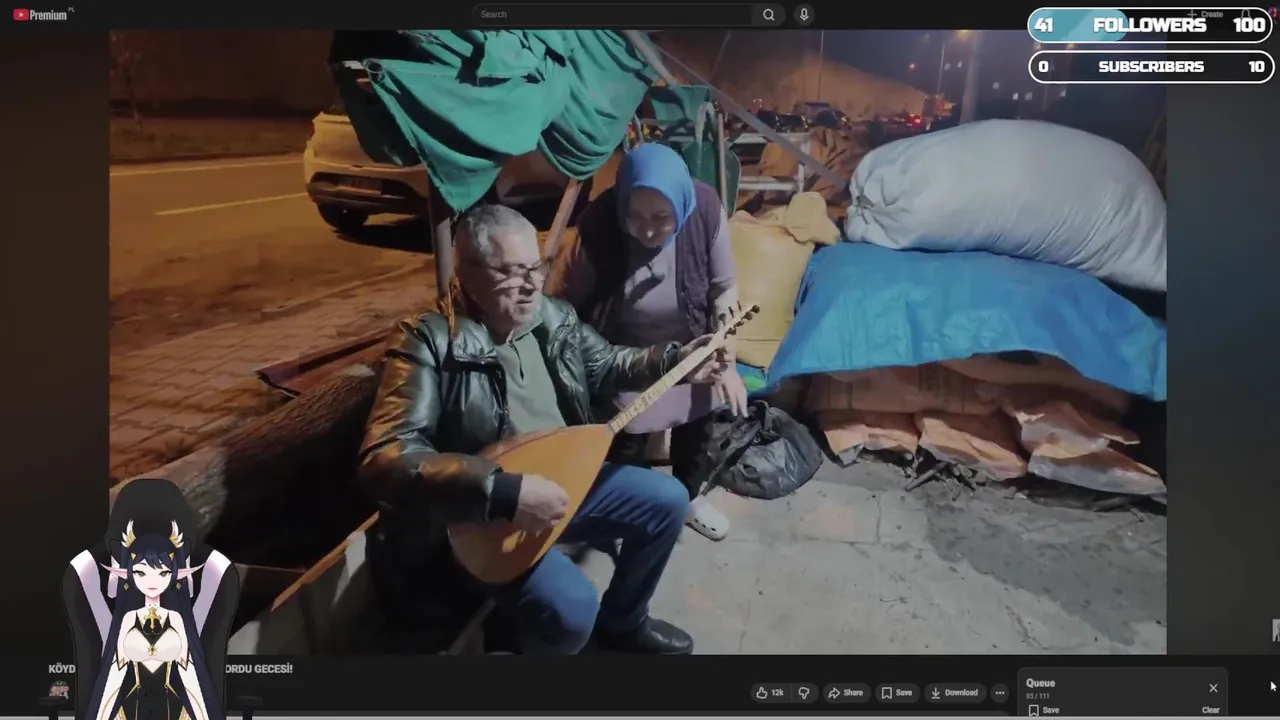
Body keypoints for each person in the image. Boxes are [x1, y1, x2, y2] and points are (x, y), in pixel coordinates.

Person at [358, 204, 730, 655]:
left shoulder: (554, 318)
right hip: (486, 519)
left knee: (667, 500)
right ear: (467, 273)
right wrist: (503, 491)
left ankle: (625, 622)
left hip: (565, 477)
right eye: (510, 272)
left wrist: (677, 361)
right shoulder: (428, 341)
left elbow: (607, 363)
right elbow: (386, 456)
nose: (532, 284)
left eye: (536, 267)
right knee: (572, 612)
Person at [550, 142, 746, 541]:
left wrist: (726, 353)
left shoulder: (704, 209)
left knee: (697, 432)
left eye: (661, 217)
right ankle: (634, 507)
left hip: (693, 345)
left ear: (682, 205)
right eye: (635, 217)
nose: (649, 230)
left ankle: (688, 498)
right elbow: (565, 303)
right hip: (627, 354)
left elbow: (724, 288)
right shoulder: (599, 225)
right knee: (625, 444)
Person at [87, 520, 220, 720]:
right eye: (141, 572)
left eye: (163, 573)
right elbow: (115, 674)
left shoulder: (175, 619)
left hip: (171, 709)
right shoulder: (129, 619)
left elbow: (189, 674)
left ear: (174, 574)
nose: (152, 581)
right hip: (132, 709)